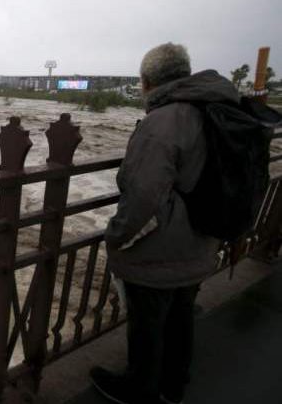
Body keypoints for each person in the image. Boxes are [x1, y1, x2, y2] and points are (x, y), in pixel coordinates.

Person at [90, 43, 239, 403]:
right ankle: (174, 387)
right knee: (181, 317)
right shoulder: (215, 110)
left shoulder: (162, 123)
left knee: (148, 324)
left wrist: (116, 236)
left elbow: (143, 196)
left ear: (147, 82)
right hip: (202, 239)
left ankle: (138, 390)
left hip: (161, 249)